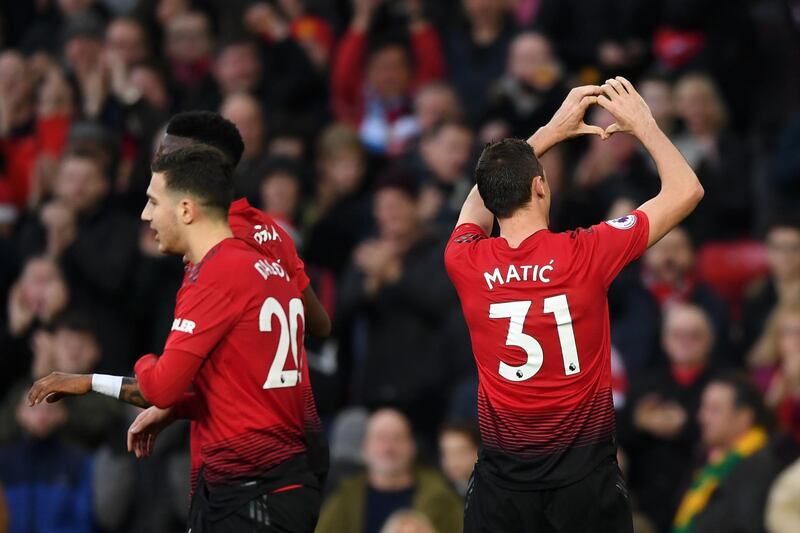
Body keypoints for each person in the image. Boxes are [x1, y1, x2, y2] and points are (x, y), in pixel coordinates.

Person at [444, 77, 704, 532]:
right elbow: (686, 190)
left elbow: (475, 207)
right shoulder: (587, 252)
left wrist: (547, 132)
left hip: (503, 486)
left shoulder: (464, 258)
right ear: (541, 188)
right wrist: (643, 124)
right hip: (585, 482)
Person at [28, 145, 324, 532]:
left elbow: (161, 387)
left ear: (185, 210)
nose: (145, 214)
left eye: (153, 202)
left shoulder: (213, 275)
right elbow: (241, 384)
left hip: (248, 487)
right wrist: (87, 382)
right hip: (286, 479)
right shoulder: (266, 259)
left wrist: (146, 362)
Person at [316, 408, 463, 533]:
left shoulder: (441, 498)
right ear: (365, 448)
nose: (388, 448)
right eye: (380, 439)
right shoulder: (344, 498)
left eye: (397, 438)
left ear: (412, 447)